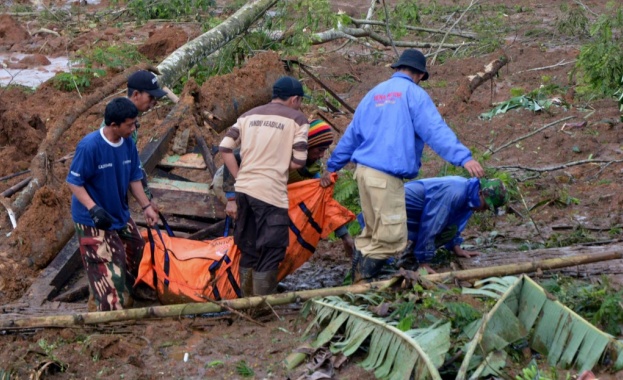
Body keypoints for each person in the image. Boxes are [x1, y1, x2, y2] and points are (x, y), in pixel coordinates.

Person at [321, 49, 485, 283]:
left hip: (364, 174)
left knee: (372, 235)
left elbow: (352, 134)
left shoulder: (374, 94)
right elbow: (434, 130)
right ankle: (361, 283)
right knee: (391, 237)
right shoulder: (414, 95)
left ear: (398, 68)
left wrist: (333, 165)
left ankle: (357, 280)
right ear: (419, 74)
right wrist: (463, 158)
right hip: (385, 176)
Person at [219, 76, 309, 296]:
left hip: (244, 190)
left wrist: (240, 176)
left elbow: (224, 147)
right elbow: (299, 161)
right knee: (271, 249)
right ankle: (261, 305)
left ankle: (246, 302)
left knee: (249, 246)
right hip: (270, 193)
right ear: (295, 99)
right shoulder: (298, 119)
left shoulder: (248, 115)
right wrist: (276, 165)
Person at [213, 119, 355, 258]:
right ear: (308, 145)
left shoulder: (312, 169)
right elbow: (235, 158)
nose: (321, 155)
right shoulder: (277, 152)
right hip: (230, 178)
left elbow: (323, 202)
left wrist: (345, 236)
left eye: (324, 150)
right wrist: (232, 198)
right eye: (319, 150)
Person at [67, 97, 159, 311]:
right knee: (107, 261)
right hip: (93, 218)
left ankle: (128, 290)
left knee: (137, 249)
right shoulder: (90, 146)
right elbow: (74, 182)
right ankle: (107, 311)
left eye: (135, 122)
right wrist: (93, 208)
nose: (134, 128)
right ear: (113, 125)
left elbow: (134, 178)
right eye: (130, 124)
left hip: (118, 212)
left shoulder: (128, 144)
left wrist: (146, 207)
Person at [395, 176, 508, 274]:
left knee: (450, 230)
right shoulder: (455, 193)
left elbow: (454, 224)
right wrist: (424, 263)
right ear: (480, 193)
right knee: (384, 240)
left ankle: (410, 259)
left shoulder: (469, 196)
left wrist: (456, 247)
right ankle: (410, 260)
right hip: (396, 206)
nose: (483, 210)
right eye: (485, 206)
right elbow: (431, 226)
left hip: (416, 211)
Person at [100, 70, 168, 204]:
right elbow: (132, 165)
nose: (154, 102)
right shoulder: (121, 125)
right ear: (136, 94)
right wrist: (147, 200)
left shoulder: (128, 117)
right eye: (151, 97)